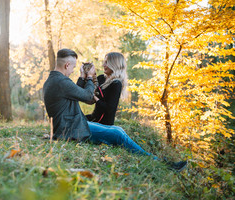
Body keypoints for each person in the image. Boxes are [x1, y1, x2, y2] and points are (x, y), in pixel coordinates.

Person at [43, 48, 187, 172]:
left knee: (118, 130)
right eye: (73, 67)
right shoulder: (62, 82)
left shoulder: (53, 81)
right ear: (67, 65)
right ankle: (163, 164)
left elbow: (83, 95)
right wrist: (87, 78)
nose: (74, 70)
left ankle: (160, 160)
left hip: (72, 124)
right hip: (70, 130)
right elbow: (87, 96)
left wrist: (86, 78)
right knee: (117, 133)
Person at [84, 52, 127, 125]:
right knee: (74, 119)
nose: (103, 65)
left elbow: (109, 109)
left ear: (114, 64)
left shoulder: (116, 84)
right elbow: (86, 90)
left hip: (104, 125)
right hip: (94, 119)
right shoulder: (101, 78)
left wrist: (95, 97)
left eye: (106, 62)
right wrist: (87, 74)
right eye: (104, 62)